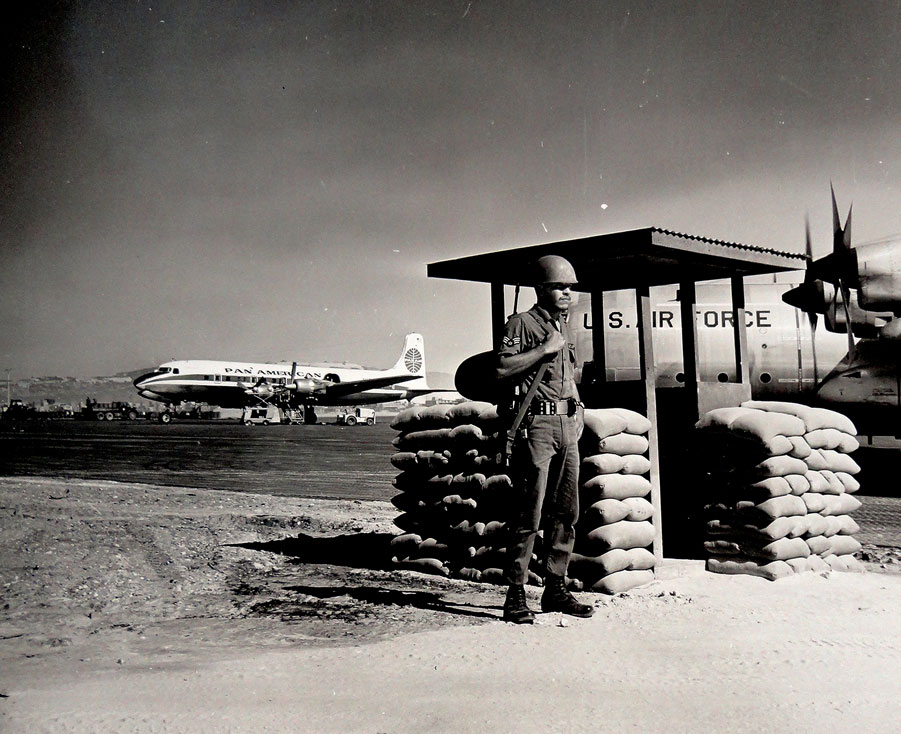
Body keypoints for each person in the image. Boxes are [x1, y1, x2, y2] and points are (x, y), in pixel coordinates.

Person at [497, 254, 594, 624]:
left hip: (568, 426)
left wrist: (579, 408)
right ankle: (516, 593)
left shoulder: (564, 326)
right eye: (560, 287)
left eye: (571, 287)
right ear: (542, 288)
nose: (568, 292)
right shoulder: (521, 324)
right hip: (537, 427)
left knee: (567, 512)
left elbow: (566, 376)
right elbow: (501, 368)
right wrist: (544, 349)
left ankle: (555, 587)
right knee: (530, 512)